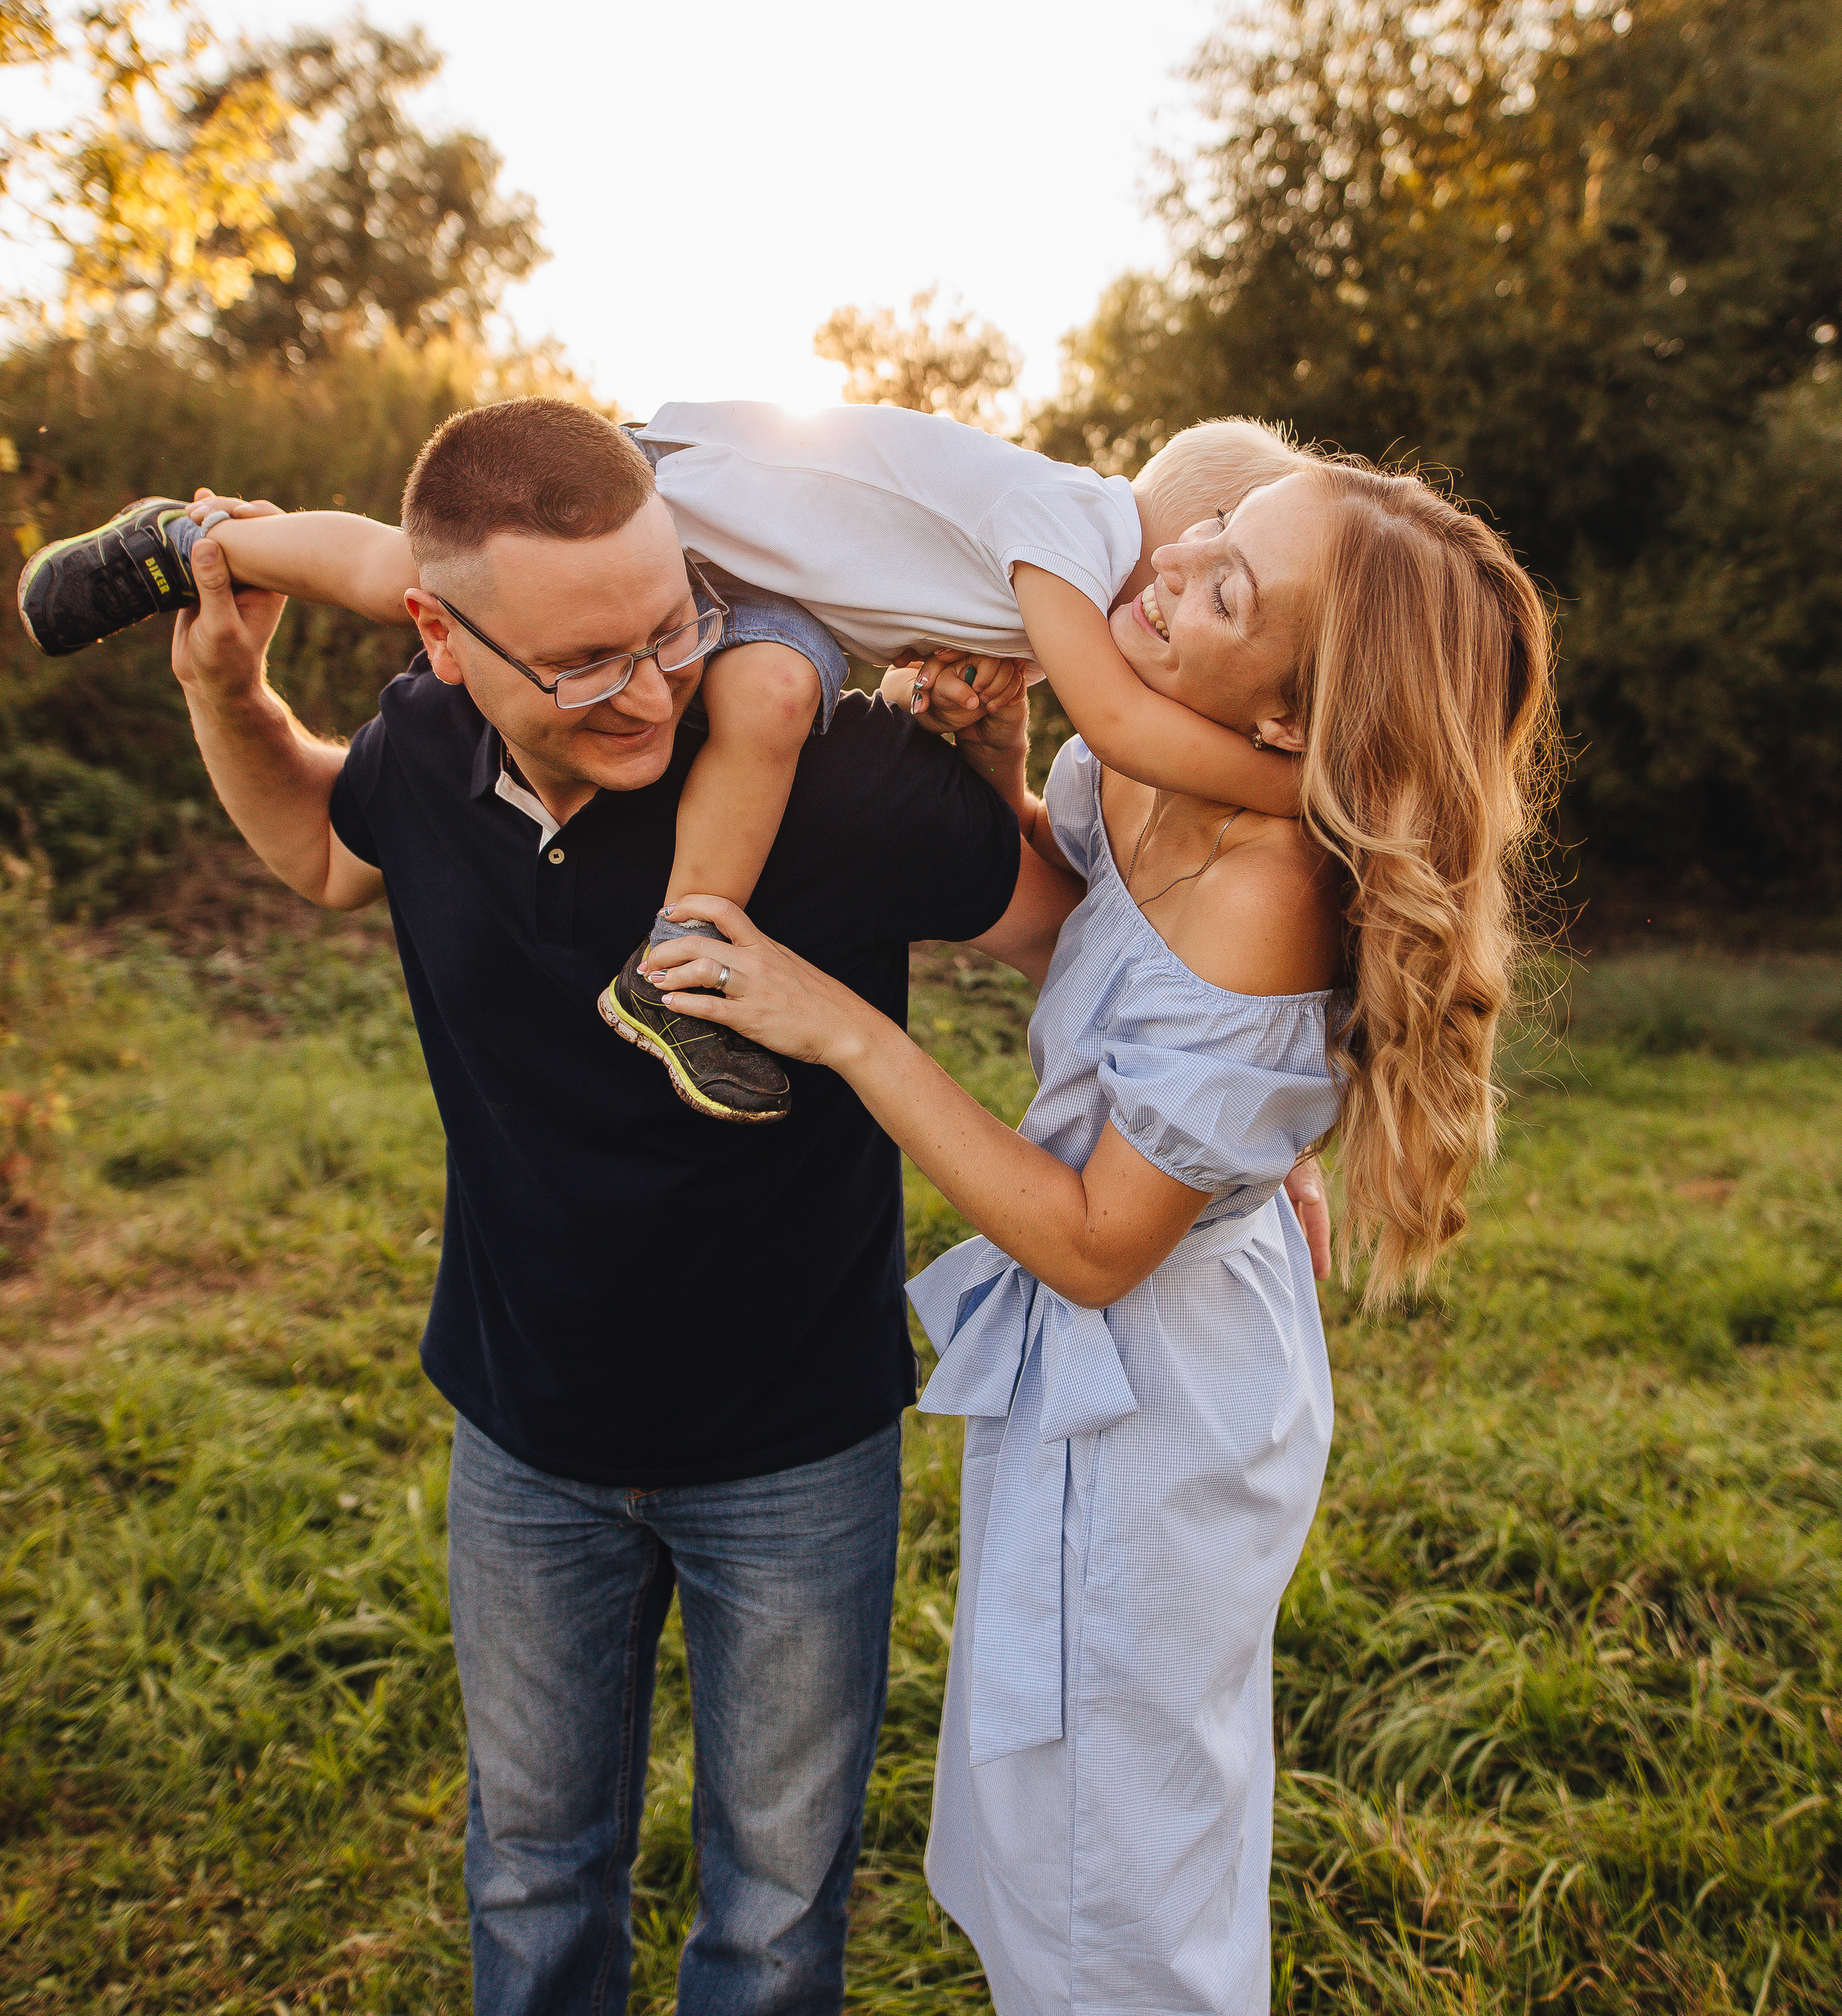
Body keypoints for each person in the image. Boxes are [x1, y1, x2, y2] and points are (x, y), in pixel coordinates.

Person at [141, 394, 1098, 2016]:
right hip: (523, 1441)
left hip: (798, 1447)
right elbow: (319, 850)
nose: (647, 689)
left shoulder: (841, 780)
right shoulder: (426, 751)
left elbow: (1078, 942)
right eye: (581, 666)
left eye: (668, 631)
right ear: (442, 637)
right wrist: (229, 684)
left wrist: (1228, 1125)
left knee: (778, 1915)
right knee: (530, 1881)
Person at [640, 450, 1559, 2015]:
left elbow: (1087, 1241)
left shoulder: (1270, 887)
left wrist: (844, 1030)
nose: (1168, 564)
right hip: (1090, 1364)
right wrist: (1000, 750)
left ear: (1288, 718)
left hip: (1159, 1395)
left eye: (1225, 589)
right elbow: (1085, 936)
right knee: (1047, 1814)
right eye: (1207, 528)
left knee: (1119, 1864)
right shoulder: (1147, 757)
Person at [15, 401, 1308, 1122]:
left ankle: (205, 539)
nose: (1170, 641)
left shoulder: (1061, 571)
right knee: (747, 681)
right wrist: (1320, 789)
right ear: (1186, 542)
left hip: (749, 549)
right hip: (695, 514)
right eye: (1219, 590)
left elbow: (1076, 908)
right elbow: (1128, 730)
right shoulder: (1072, 536)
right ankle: (193, 547)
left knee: (746, 672)